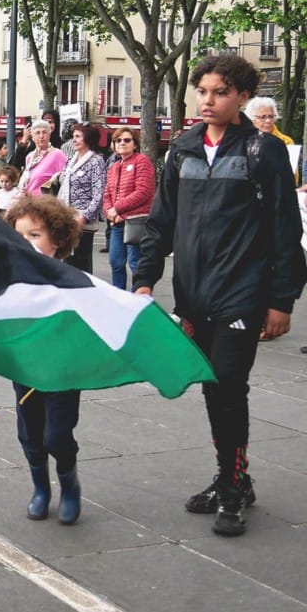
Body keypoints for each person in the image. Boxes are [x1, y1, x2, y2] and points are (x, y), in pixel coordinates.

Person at [134, 53, 305, 537]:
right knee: (213, 386)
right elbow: (161, 222)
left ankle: (231, 490)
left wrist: (282, 300)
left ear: (243, 97)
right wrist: (144, 280)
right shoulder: (182, 149)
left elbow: (285, 229)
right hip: (193, 295)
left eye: (221, 93)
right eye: (202, 91)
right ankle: (234, 476)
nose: (208, 101)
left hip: (243, 294)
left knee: (228, 385)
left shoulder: (262, 150)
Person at [5, 194, 83, 524]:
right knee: (30, 434)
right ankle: (41, 489)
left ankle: (70, 485)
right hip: (25, 368)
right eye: (19, 236)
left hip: (63, 373)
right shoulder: (10, 282)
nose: (26, 243)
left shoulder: (73, 282)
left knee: (57, 436)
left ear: (58, 240)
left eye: (34, 235)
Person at [101, 127, 154, 290]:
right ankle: (120, 297)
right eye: (118, 140)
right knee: (116, 262)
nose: (122, 143)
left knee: (135, 263)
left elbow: (144, 192)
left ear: (135, 144)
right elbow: (107, 193)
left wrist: (118, 209)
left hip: (135, 222)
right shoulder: (114, 166)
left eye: (127, 140)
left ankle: (138, 297)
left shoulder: (142, 161)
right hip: (116, 222)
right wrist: (110, 212)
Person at [56, 124, 106, 273]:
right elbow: (63, 180)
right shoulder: (71, 159)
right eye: (73, 136)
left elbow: (99, 193)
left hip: (82, 219)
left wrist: (84, 216)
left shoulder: (96, 161)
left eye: (78, 136)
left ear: (88, 139)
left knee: (81, 261)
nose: (74, 140)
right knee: (67, 259)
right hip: (66, 215)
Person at [16, 120, 67, 197]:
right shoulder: (29, 157)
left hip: (47, 202)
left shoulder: (57, 154)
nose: (41, 136)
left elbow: (65, 181)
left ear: (49, 135)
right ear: (32, 137)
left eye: (44, 132)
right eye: (37, 133)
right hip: (29, 201)